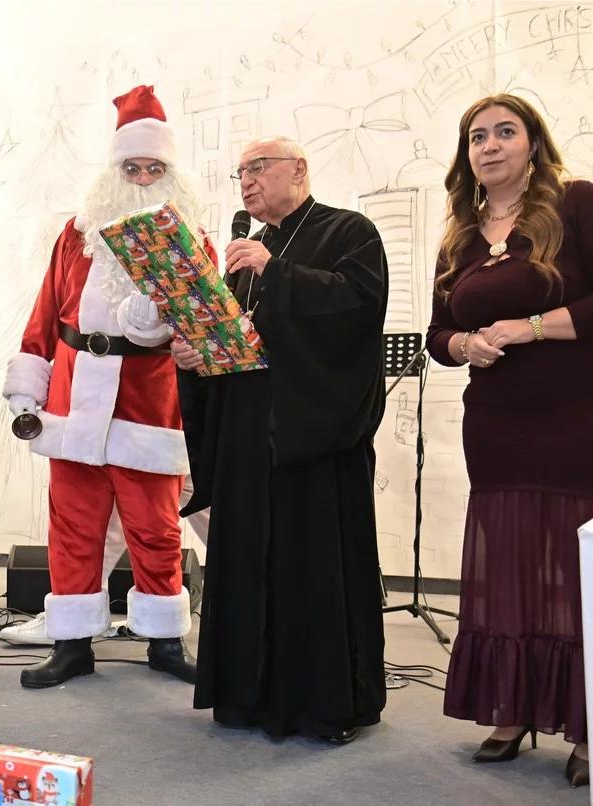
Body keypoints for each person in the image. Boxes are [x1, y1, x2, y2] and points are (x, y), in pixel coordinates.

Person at [425, 93, 593, 788]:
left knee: (580, 568)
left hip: (587, 415)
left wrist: (532, 326)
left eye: (505, 132)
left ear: (534, 143)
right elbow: (438, 335)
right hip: (498, 424)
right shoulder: (461, 237)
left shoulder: (578, 204)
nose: (489, 146)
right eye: (476, 138)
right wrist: (465, 342)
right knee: (510, 565)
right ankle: (514, 706)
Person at [174, 135, 389, 743]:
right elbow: (235, 336)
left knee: (313, 564)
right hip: (248, 430)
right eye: (240, 171)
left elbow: (355, 307)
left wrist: (277, 271)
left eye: (258, 167)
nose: (246, 180)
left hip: (314, 434)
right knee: (245, 559)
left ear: (298, 170)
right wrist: (197, 355)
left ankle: (326, 705)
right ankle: (247, 695)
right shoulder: (248, 253)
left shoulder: (350, 233)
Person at [2, 85, 213, 687]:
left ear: (170, 173)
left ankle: (165, 642)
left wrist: (160, 321)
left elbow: (202, 325)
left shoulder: (193, 241)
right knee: (72, 525)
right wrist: (28, 387)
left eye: (154, 167)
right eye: (132, 166)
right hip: (73, 397)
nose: (143, 177)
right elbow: (46, 312)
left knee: (155, 527)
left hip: (149, 402)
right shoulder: (77, 232)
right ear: (113, 170)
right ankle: (71, 645)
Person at [0, 490, 210, 645]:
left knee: (220, 509)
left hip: (178, 436)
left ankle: (68, 620)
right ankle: (68, 618)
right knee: (116, 518)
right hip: (157, 439)